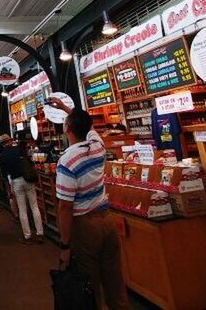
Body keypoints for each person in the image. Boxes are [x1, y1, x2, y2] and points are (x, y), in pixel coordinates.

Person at [50, 97, 129, 310]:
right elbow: (88, 125)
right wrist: (67, 108)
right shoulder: (98, 146)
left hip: (84, 226)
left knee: (89, 284)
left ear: (67, 128)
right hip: (107, 221)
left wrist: (65, 245)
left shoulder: (67, 161)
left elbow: (65, 207)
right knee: (115, 280)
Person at [0, 134, 44, 243]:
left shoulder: (2, 156)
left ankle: (27, 236)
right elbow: (30, 162)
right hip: (27, 179)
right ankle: (40, 233)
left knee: (22, 209)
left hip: (16, 181)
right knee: (34, 206)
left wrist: (9, 189)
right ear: (10, 140)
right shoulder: (19, 149)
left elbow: (4, 175)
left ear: (2, 144)